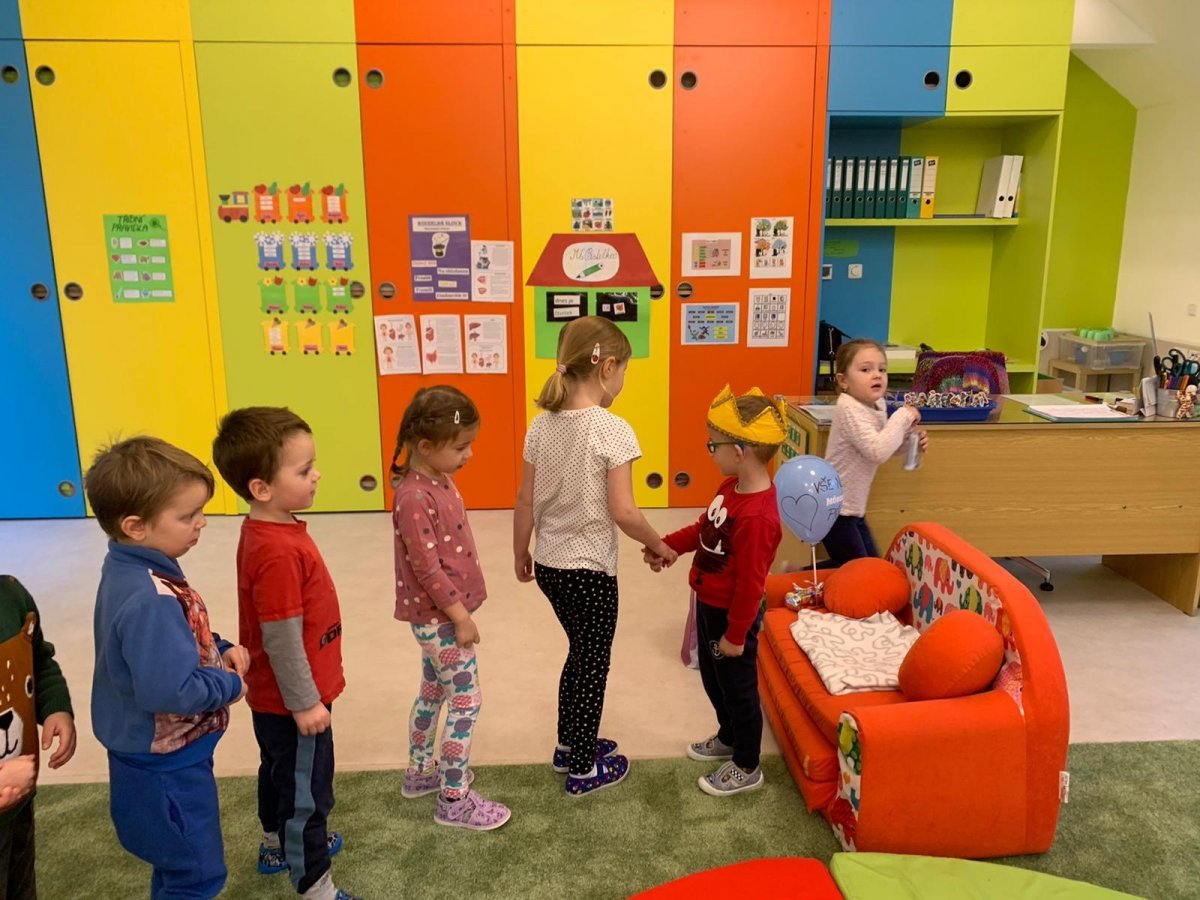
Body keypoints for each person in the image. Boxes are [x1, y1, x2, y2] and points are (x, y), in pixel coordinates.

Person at [513, 316, 677, 797]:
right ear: (607, 368)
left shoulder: (541, 425)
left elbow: (525, 499)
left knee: (579, 653)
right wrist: (658, 543)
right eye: (624, 370)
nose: (623, 380)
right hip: (589, 571)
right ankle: (583, 768)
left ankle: (569, 745)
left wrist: (520, 550)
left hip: (550, 566)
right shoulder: (613, 429)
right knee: (592, 663)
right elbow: (624, 511)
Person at [86, 437, 247, 900]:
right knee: (196, 873)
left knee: (176, 864)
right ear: (136, 526)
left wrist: (217, 647)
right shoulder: (149, 598)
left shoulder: (132, 569)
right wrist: (229, 684)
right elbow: (171, 690)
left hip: (152, 753)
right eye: (188, 516)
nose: (202, 523)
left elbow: (171, 638)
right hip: (165, 762)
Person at [212, 409, 359, 900]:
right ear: (261, 488)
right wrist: (305, 703)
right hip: (295, 700)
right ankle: (315, 885)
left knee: (279, 771)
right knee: (307, 795)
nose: (317, 475)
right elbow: (281, 637)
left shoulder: (270, 530)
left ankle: (275, 845)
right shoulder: (276, 549)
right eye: (304, 469)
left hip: (280, 696)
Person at [644, 386, 785, 796]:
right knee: (714, 679)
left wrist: (737, 635)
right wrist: (668, 546)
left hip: (731, 616)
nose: (709, 452)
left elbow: (752, 586)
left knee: (738, 689)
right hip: (708, 604)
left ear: (739, 452)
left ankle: (747, 764)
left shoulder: (758, 517)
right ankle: (728, 736)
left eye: (713, 445)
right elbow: (704, 529)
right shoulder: (729, 489)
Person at [390, 386, 511, 831]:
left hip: (437, 617)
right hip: (441, 619)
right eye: (460, 447)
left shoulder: (436, 480)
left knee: (433, 692)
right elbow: (427, 567)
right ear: (425, 446)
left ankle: (421, 771)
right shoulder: (413, 497)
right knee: (466, 701)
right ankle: (454, 798)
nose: (469, 454)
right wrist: (460, 616)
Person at [0, 575, 75, 899]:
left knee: (21, 885)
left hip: (18, 801)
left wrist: (55, 707)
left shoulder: (11, 595)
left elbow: (39, 662)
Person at [822, 338, 927, 565]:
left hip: (852, 507)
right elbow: (877, 451)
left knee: (866, 564)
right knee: (862, 568)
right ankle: (796, 576)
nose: (877, 375)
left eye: (882, 369)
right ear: (843, 381)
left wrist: (909, 443)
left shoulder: (876, 405)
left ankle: (796, 574)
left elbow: (884, 445)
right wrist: (902, 416)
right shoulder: (849, 408)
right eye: (866, 370)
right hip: (836, 508)